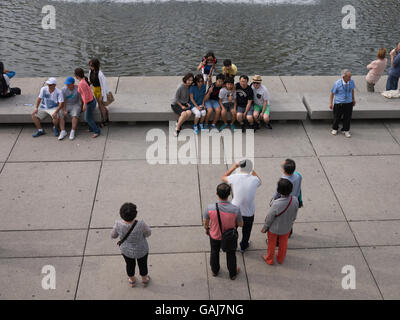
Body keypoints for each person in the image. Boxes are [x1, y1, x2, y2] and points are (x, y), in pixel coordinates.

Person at [203, 183, 243, 280]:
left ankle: (215, 270)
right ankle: (232, 274)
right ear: (229, 194)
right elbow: (241, 224)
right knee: (231, 255)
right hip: (229, 237)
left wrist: (207, 229)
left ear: (217, 194)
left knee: (214, 252)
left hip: (215, 236)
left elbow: (205, 223)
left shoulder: (210, 208)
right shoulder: (235, 209)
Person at [222, 159, 261, 253]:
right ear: (250, 169)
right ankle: (244, 246)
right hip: (249, 212)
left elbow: (223, 177)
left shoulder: (235, 177)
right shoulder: (255, 180)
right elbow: (260, 181)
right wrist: (252, 170)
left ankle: (231, 244)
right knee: (246, 232)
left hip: (235, 211)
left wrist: (234, 167)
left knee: (232, 229)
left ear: (240, 168)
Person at [111, 202, 151, 287]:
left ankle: (132, 280)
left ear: (121, 214)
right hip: (141, 249)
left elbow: (113, 235)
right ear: (135, 214)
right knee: (143, 264)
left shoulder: (118, 224)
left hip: (126, 250)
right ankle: (144, 279)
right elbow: (148, 233)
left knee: (129, 265)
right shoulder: (141, 223)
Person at [261, 179, 299, 265]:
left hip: (274, 229)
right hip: (287, 228)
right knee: (283, 243)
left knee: (271, 244)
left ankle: (269, 259)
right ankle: (280, 258)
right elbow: (295, 213)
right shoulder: (295, 200)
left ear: (279, 190)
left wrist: (265, 227)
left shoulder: (276, 203)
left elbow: (270, 217)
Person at [272, 158, 303, 239]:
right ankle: (289, 232)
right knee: (290, 219)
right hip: (294, 201)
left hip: (284, 203)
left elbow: (277, 194)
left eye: (282, 166)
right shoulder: (298, 176)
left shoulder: (283, 181)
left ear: (285, 170)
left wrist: (273, 202)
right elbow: (299, 188)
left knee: (280, 220)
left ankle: (279, 238)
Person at [329, 69, 356, 138]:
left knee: (347, 117)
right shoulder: (337, 83)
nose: (350, 78)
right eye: (349, 77)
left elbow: (352, 90)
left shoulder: (351, 82)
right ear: (344, 77)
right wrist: (331, 103)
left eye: (350, 76)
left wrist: (353, 99)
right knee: (337, 116)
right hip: (339, 103)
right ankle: (335, 128)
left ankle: (346, 130)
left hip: (349, 102)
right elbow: (332, 93)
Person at [74, 68, 100, 138]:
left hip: (89, 103)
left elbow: (85, 95)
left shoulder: (81, 83)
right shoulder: (84, 80)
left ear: (76, 76)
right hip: (92, 100)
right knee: (89, 117)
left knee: (88, 118)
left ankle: (96, 131)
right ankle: (91, 128)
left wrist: (84, 105)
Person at [171, 73, 194, 137]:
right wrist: (181, 106)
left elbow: (187, 97)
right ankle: (177, 129)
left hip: (184, 103)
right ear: (185, 79)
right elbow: (176, 98)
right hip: (176, 103)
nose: (190, 82)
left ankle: (178, 121)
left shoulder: (190, 87)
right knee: (184, 114)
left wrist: (187, 103)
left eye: (192, 80)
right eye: (189, 80)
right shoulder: (180, 87)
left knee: (189, 112)